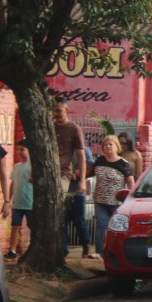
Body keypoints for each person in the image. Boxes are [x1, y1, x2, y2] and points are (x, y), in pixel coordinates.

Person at [53, 101, 92, 257]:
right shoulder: (50, 127)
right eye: (54, 111)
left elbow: (85, 160)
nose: (56, 114)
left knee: (77, 217)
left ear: (66, 111)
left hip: (72, 184)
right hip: (55, 176)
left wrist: (81, 179)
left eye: (59, 111)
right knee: (61, 216)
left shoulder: (74, 130)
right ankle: (62, 249)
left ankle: (86, 245)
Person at [91, 135, 135, 257]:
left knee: (117, 228)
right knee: (101, 226)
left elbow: (131, 183)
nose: (108, 147)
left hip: (117, 203)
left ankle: (117, 252)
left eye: (111, 144)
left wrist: (130, 200)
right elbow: (89, 173)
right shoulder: (99, 160)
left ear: (117, 147)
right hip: (100, 200)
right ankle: (100, 252)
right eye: (105, 145)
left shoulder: (123, 164)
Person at [5, 139, 33, 259]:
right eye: (18, 149)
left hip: (30, 203)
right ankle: (12, 250)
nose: (19, 152)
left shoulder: (33, 167)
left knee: (32, 226)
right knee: (15, 226)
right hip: (17, 203)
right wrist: (9, 200)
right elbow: (12, 184)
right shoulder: (16, 167)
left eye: (22, 149)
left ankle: (32, 247)